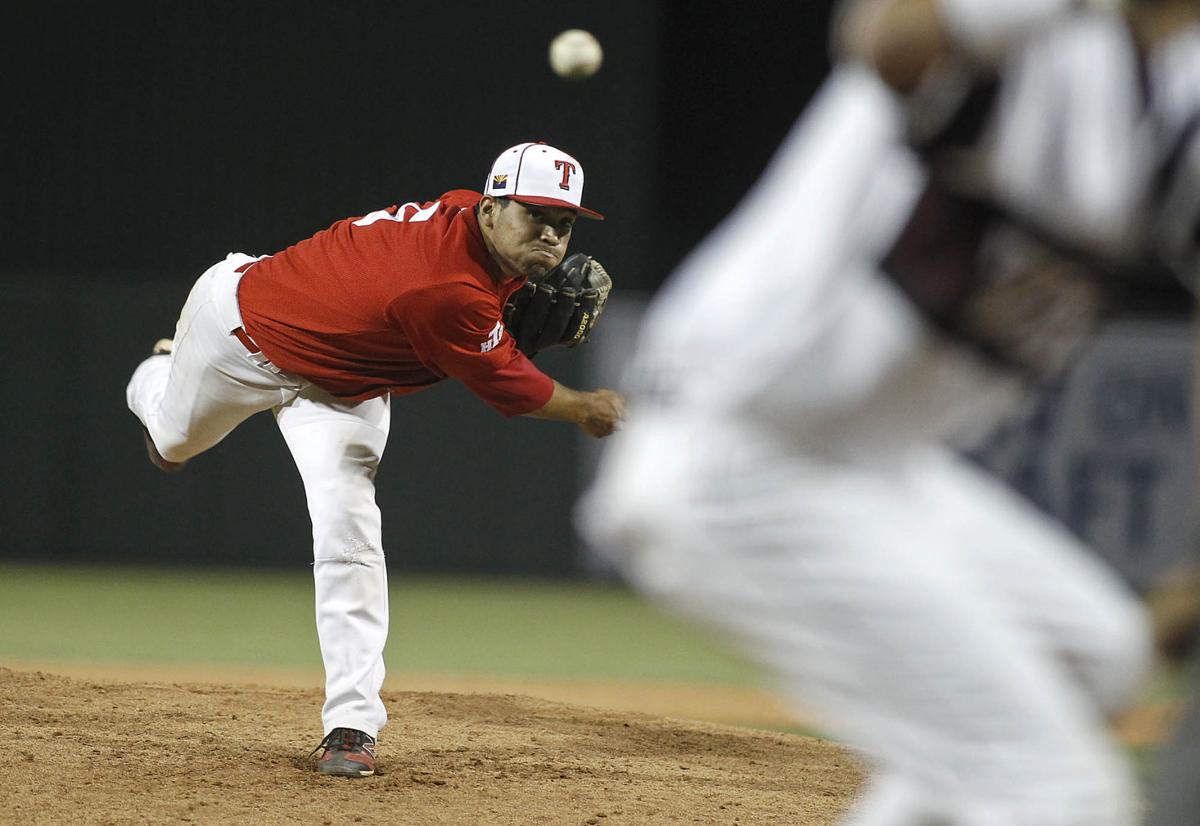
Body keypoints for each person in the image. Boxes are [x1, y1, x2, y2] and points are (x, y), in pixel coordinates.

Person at [580, 1, 1200, 823]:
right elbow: (885, 38)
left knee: (1099, 656)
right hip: (735, 452)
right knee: (1059, 797)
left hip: (876, 469)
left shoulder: (1179, 102)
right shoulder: (1035, 38)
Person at [126, 141, 625, 778]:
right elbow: (510, 386)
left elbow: (478, 313)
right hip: (238, 335)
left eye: (565, 223)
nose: (552, 235)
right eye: (536, 215)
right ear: (494, 207)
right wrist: (588, 407)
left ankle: (352, 725)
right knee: (171, 444)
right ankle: (159, 371)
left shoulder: (468, 220)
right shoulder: (444, 287)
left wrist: (502, 307)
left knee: (350, 531)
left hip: (341, 387)